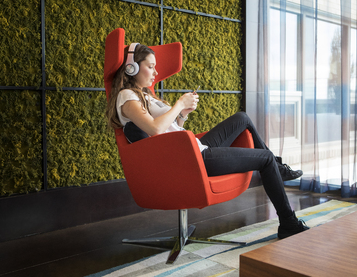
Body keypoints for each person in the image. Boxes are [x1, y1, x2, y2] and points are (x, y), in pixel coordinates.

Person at [105, 43, 308, 238]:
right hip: (192, 159)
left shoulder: (145, 95)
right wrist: (179, 104)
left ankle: (278, 169)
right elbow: (155, 129)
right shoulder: (127, 97)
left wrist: (183, 114)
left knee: (242, 118)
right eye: (150, 67)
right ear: (131, 68)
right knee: (265, 159)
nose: (155, 72)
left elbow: (172, 133)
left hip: (192, 149)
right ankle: (288, 222)